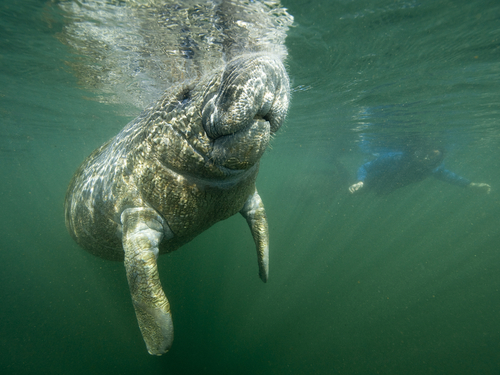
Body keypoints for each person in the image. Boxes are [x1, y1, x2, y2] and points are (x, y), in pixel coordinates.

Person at [349, 148, 491, 194]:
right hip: (362, 184)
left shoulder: (431, 169)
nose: (427, 158)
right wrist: (360, 181)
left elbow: (449, 176)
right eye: (426, 153)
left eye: (433, 157)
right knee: (342, 186)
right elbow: (366, 167)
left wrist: (471, 185)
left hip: (379, 190)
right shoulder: (398, 158)